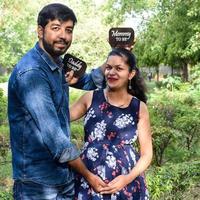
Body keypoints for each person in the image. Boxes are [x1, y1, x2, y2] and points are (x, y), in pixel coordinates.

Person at [8, 3, 107, 200]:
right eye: (56, 28)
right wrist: (88, 176)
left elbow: (88, 82)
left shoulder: (57, 63)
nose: (63, 35)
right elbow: (56, 140)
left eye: (68, 30)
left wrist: (115, 54)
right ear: (40, 31)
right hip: (37, 184)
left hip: (62, 178)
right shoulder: (32, 73)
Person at [70, 48, 153, 199]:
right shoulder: (90, 98)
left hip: (126, 184)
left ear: (131, 74)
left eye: (119, 68)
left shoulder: (139, 108)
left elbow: (147, 154)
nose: (111, 72)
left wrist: (126, 179)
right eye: (108, 67)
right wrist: (63, 84)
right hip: (89, 180)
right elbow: (59, 117)